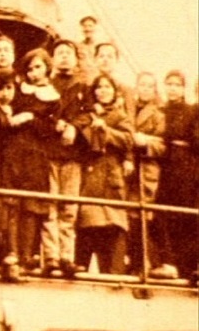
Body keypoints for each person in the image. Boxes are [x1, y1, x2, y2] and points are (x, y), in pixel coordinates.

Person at [75, 74, 134, 274]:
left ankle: (114, 275)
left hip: (111, 179)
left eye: (108, 87)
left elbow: (128, 140)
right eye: (99, 87)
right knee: (86, 227)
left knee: (113, 228)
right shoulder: (86, 114)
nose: (103, 91)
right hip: (89, 176)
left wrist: (106, 130)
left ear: (115, 91)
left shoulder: (120, 116)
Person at [10, 48, 60, 273]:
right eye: (29, 69)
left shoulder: (53, 98)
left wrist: (30, 118)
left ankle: (27, 255)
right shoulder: (20, 91)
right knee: (12, 202)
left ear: (47, 68)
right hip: (14, 151)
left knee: (31, 205)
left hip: (37, 154)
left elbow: (50, 129)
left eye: (38, 67)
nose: (33, 73)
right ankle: (11, 254)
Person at [150, 70, 198, 280]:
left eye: (177, 85)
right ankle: (169, 263)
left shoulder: (192, 110)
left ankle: (186, 267)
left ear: (184, 88)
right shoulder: (160, 110)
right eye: (169, 84)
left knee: (185, 216)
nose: (172, 88)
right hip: (165, 166)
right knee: (161, 215)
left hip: (185, 167)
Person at [46, 40, 88, 277]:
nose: (64, 57)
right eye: (59, 53)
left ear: (75, 59)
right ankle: (51, 256)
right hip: (49, 153)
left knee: (69, 208)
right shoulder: (46, 85)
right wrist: (55, 123)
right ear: (53, 58)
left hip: (72, 155)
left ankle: (67, 257)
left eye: (68, 53)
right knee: (49, 206)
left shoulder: (83, 87)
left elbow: (88, 114)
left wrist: (73, 126)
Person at [126, 71, 165, 276]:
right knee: (128, 215)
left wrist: (145, 142)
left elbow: (163, 146)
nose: (146, 89)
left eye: (150, 86)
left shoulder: (159, 114)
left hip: (146, 169)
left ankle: (148, 263)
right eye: (142, 85)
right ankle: (135, 262)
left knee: (142, 216)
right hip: (128, 168)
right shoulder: (128, 108)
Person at [0, 68, 20, 272]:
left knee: (8, 208)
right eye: (1, 89)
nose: (5, 93)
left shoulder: (10, 108)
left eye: (9, 88)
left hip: (7, 164)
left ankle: (8, 255)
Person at [76, 15, 101, 85]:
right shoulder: (78, 46)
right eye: (85, 26)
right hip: (83, 81)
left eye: (90, 26)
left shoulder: (100, 46)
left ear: (95, 28)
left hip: (97, 82)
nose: (87, 29)